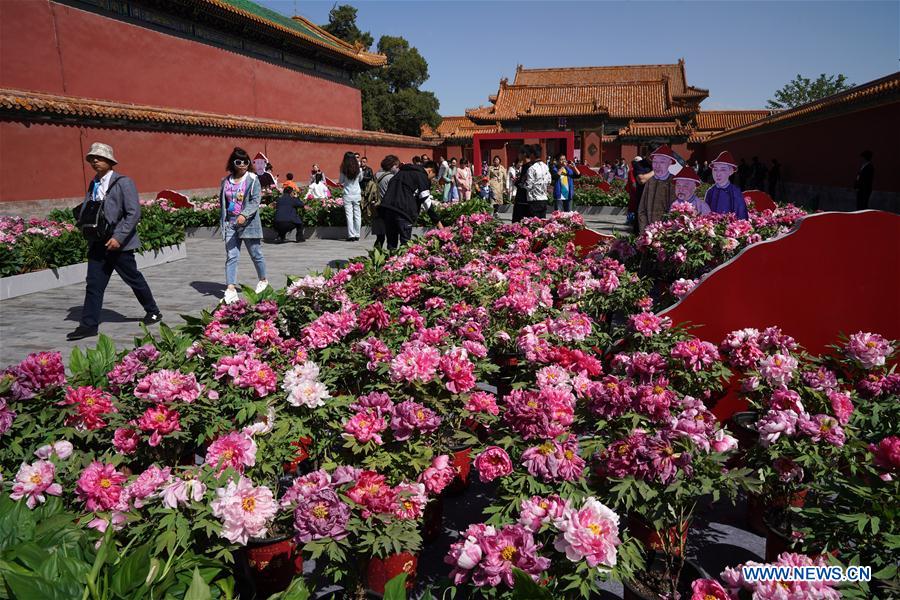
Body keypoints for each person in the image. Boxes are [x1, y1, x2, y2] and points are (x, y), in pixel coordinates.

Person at [67, 142, 162, 340]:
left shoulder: (123, 182)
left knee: (133, 278)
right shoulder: (94, 183)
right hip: (97, 242)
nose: (94, 161)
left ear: (110, 161)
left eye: (99, 158)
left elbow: (133, 213)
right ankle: (89, 325)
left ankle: (153, 310)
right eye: (92, 158)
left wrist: (118, 238)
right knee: (93, 284)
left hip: (119, 244)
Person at [219, 146, 268, 305]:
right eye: (238, 161)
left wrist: (243, 214)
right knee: (231, 256)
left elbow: (255, 201)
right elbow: (225, 203)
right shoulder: (225, 181)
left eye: (246, 161)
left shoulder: (253, 179)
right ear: (232, 163)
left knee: (256, 253)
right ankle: (231, 288)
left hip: (248, 223)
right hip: (231, 224)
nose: (242, 164)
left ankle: (263, 280)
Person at [379, 160, 442, 250]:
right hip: (403, 212)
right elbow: (426, 201)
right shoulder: (422, 176)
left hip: (388, 210)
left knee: (391, 244)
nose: (430, 180)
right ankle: (401, 263)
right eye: (432, 177)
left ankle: (390, 262)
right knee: (405, 245)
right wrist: (438, 222)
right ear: (430, 171)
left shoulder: (401, 173)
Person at [637, 144, 678, 232]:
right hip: (648, 220)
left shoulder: (673, 181)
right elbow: (642, 210)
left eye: (662, 161)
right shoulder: (642, 169)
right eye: (655, 160)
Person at [367, 155, 400, 249]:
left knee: (380, 237)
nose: (397, 168)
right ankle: (390, 257)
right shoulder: (390, 177)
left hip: (375, 208)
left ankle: (375, 256)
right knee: (391, 237)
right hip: (387, 209)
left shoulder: (376, 175)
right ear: (392, 165)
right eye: (396, 166)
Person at [704, 151, 748, 219]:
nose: (718, 174)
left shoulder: (735, 191)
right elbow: (705, 214)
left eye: (723, 170)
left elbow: (742, 215)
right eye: (715, 169)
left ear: (731, 172)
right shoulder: (710, 192)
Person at [339, 151, 362, 241]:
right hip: (357, 193)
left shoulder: (343, 170)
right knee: (357, 214)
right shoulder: (358, 169)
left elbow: (341, 181)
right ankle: (357, 234)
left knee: (349, 215)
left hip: (347, 193)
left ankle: (351, 235)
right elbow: (360, 179)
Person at [525, 145, 552, 220]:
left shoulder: (532, 168)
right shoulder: (546, 166)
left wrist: (522, 184)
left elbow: (529, 186)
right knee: (542, 223)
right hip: (544, 199)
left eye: (530, 154)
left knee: (533, 224)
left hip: (534, 200)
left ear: (533, 155)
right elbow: (549, 181)